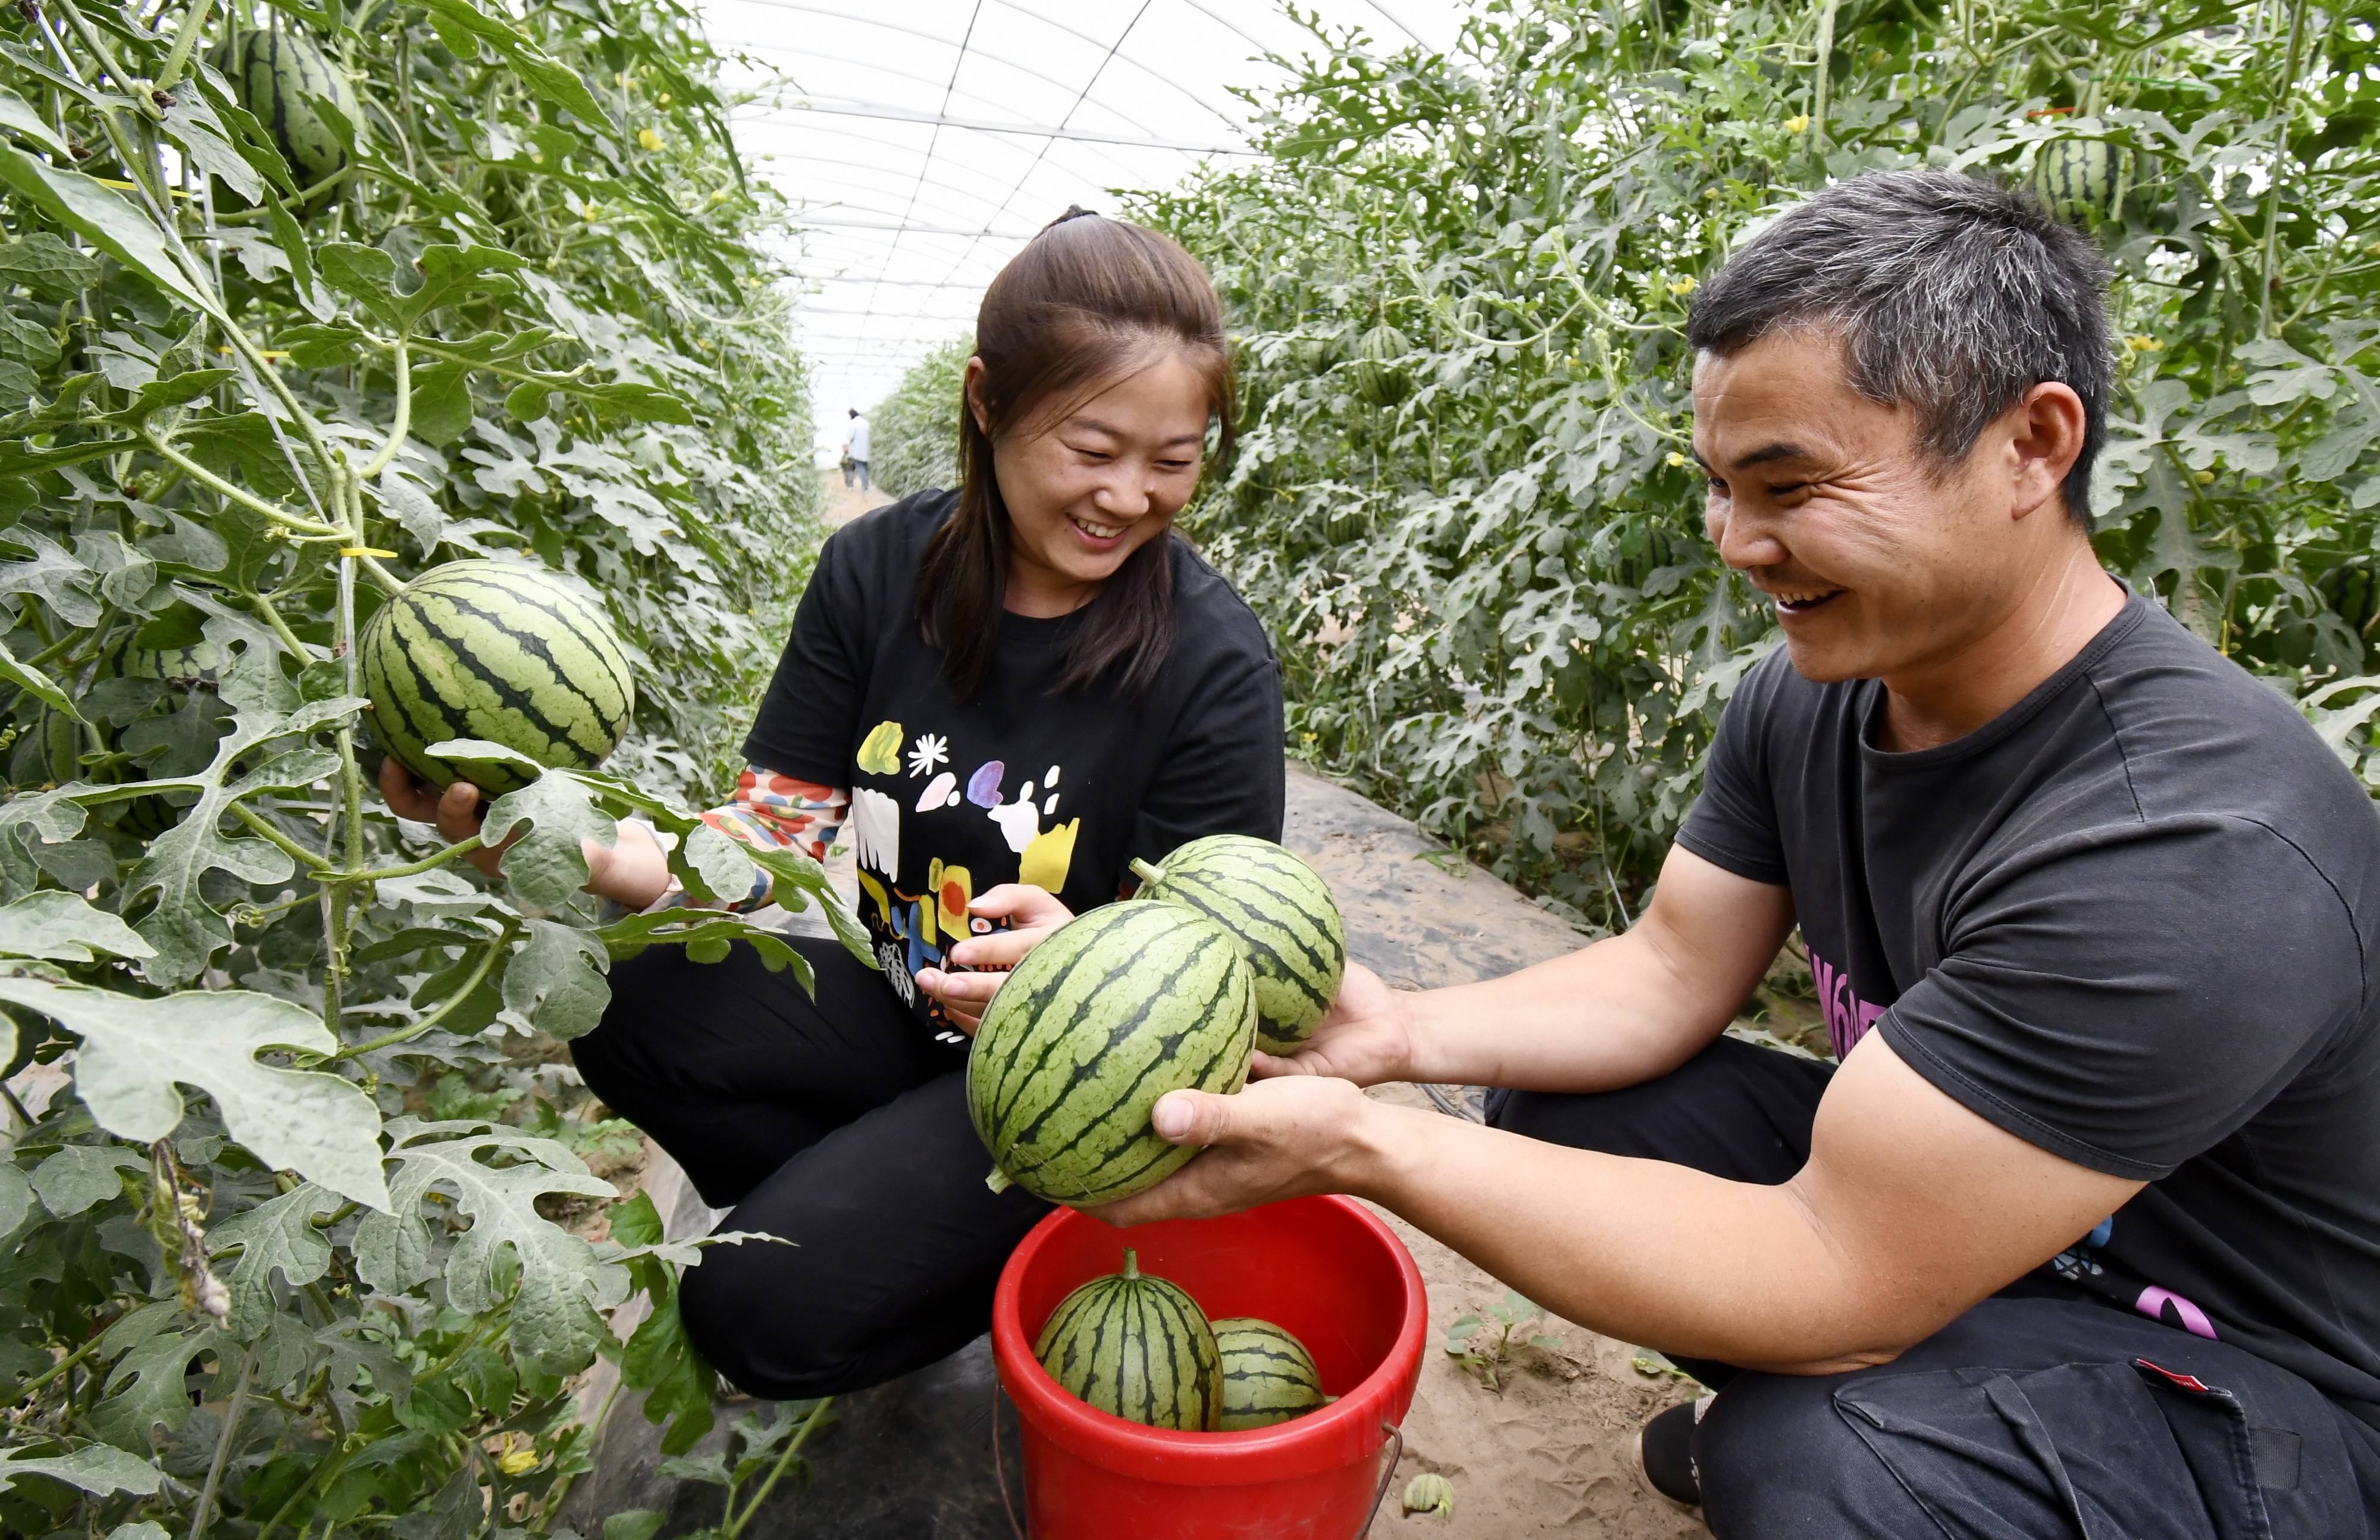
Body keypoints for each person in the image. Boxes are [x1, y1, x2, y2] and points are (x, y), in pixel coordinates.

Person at [932, 171, 2380, 1535]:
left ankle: (1886, 1431)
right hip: (1990, 1231)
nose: (1734, 539)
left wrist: (1370, 1146)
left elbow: (1841, 1267)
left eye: (1788, 484)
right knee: (1573, 1103)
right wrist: (1389, 1039)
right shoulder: (1814, 694)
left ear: (2030, 444)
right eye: (1716, 483)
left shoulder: (2192, 840)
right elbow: (1670, 969)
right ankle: (1904, 1403)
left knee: (1816, 1465)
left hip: (2260, 1382)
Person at [380, 206, 1285, 1398]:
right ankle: (896, 1225)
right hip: (901, 1020)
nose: (1127, 495)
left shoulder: (1214, 669)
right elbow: (775, 832)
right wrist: (581, 851)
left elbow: (1227, 991)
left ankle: (1029, 1256)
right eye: (1092, 447)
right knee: (622, 994)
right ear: (984, 400)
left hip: (1077, 1096)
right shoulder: (875, 572)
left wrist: (1083, 968)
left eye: (1172, 461)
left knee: (749, 1312)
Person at [844, 406, 872, 492]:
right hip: (866, 450)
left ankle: (865, 487)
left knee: (859, 468)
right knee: (864, 468)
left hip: (856, 451)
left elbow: (850, 436)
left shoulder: (853, 423)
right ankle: (865, 486)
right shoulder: (866, 423)